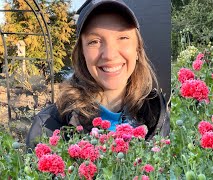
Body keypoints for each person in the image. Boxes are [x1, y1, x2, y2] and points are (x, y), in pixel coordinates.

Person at [26, 0, 170, 149]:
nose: (109, 55)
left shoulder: (160, 115)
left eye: (123, 38)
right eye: (94, 41)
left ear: (138, 50)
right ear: (82, 53)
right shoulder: (47, 127)